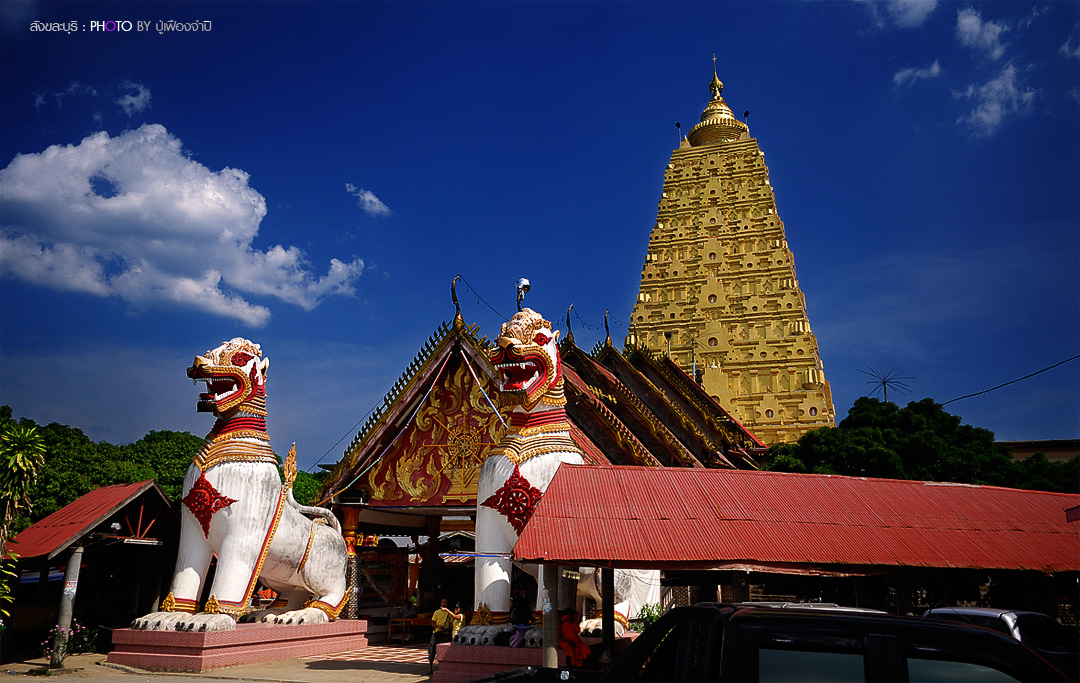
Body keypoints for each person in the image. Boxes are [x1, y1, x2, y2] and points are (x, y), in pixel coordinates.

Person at [428, 598, 460, 673]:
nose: (444, 604)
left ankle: (442, 666)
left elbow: (451, 625)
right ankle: (430, 667)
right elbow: (432, 623)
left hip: (444, 634)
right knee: (432, 650)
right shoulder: (437, 612)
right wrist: (438, 626)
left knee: (443, 651)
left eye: (445, 602)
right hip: (436, 633)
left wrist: (446, 629)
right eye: (443, 602)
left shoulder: (449, 613)